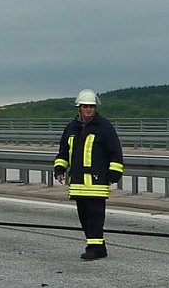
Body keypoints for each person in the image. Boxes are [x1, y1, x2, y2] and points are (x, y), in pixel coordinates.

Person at [53, 89, 124, 260]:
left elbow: (115, 152)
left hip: (97, 181)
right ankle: (97, 246)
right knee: (84, 215)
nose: (89, 110)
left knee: (96, 215)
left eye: (91, 107)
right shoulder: (71, 128)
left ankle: (94, 248)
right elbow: (63, 152)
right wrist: (59, 168)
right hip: (77, 182)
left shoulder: (104, 127)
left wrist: (114, 174)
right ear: (79, 108)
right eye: (85, 107)